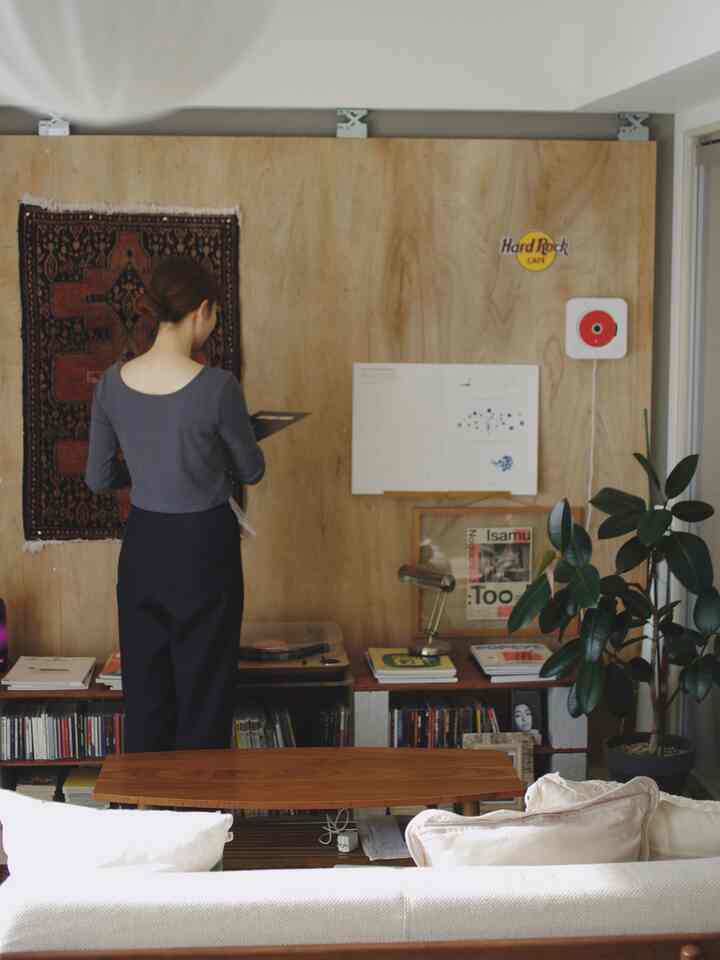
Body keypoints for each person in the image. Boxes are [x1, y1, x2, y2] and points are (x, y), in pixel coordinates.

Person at [85, 256, 265, 754]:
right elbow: (252, 470)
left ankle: (153, 823)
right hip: (206, 548)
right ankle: (201, 826)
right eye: (214, 316)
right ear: (201, 311)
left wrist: (146, 471)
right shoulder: (218, 387)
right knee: (204, 695)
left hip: (144, 546)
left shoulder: (111, 384)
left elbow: (98, 476)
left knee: (146, 694)